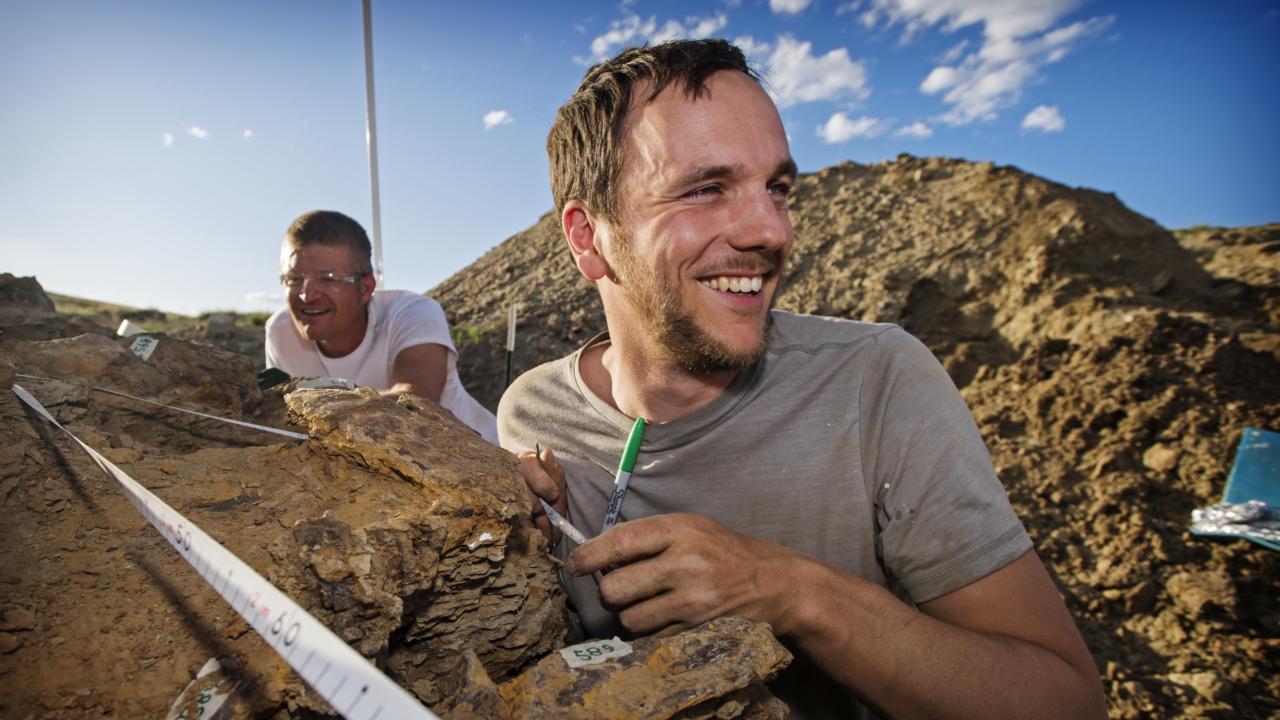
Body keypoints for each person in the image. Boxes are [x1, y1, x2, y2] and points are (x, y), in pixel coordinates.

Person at [498, 40, 1105, 719]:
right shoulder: (532, 413)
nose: (770, 230)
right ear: (588, 237)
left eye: (777, 189)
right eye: (706, 189)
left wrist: (794, 593)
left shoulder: (876, 383)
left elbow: (1067, 701)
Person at [265, 210, 497, 443]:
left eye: (328, 279)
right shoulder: (280, 332)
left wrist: (316, 405)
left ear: (366, 288)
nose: (307, 296)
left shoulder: (414, 313)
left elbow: (414, 406)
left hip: (485, 461)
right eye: (294, 279)